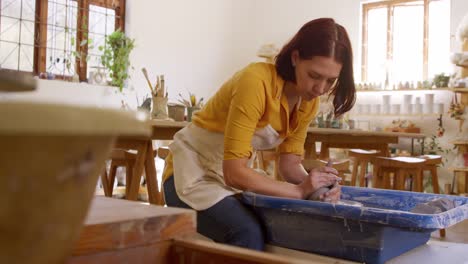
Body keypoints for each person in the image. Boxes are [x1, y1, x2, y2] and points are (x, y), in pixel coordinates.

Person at [162, 17, 356, 251]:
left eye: (330, 81)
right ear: (295, 58)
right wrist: (299, 190)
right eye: (314, 76)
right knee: (246, 231)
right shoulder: (256, 81)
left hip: (228, 182)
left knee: (279, 225)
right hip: (188, 177)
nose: (320, 89)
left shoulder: (308, 103)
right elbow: (234, 172)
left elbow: (289, 165)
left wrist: (319, 187)